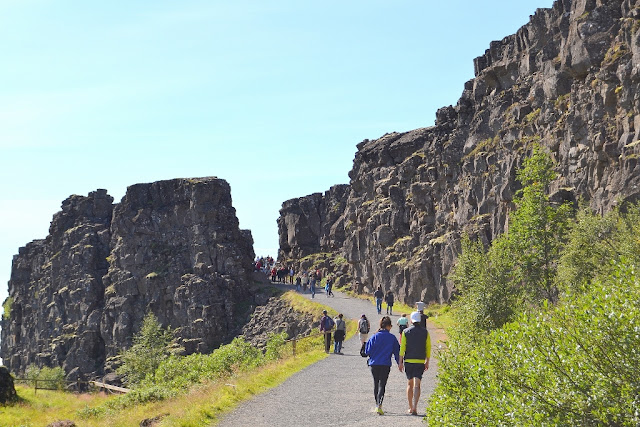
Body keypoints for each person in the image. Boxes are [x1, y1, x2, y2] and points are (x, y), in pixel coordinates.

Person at [364, 316, 400, 415]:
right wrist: (399, 363)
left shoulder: (374, 336)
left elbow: (367, 351)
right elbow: (397, 352)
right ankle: (380, 405)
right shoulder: (392, 338)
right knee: (382, 384)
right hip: (385, 364)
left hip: (374, 363)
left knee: (376, 383)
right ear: (388, 326)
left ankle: (377, 404)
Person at [398, 311, 431, 416]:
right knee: (417, 385)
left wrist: (400, 362)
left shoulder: (405, 332)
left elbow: (402, 347)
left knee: (409, 384)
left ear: (411, 320)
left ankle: (410, 407)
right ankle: (415, 407)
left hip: (408, 361)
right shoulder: (425, 332)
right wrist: (427, 361)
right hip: (420, 360)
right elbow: (428, 348)